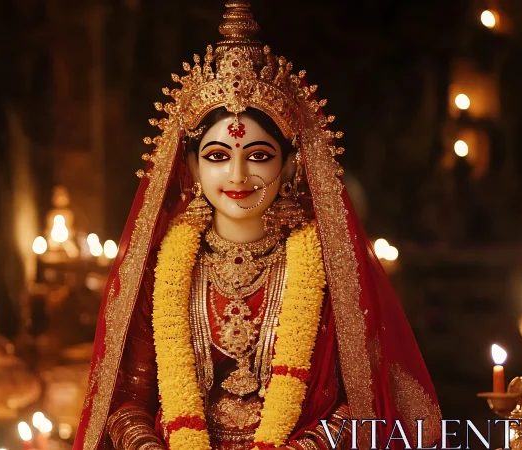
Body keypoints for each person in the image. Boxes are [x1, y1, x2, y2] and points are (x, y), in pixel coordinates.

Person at [75, 3, 441, 449]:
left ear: (290, 168)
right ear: (189, 166)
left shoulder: (326, 268)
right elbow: (128, 397)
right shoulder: (159, 267)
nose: (237, 175)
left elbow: (358, 403)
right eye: (216, 156)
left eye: (260, 156)